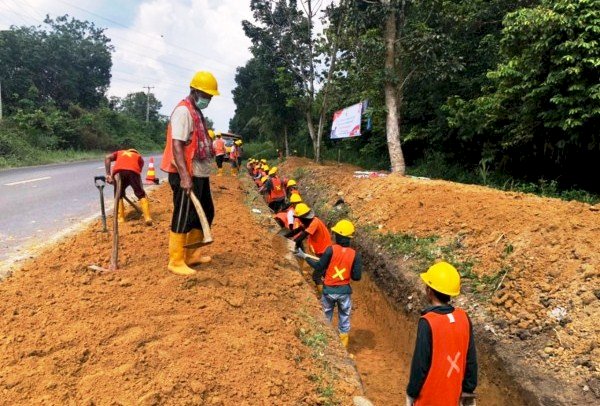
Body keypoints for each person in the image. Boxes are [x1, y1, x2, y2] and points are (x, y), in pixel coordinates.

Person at [160, 70, 219, 276]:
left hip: (199, 173)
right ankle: (176, 260)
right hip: (185, 174)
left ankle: (191, 254)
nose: (208, 99)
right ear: (194, 91)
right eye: (206, 95)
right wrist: (185, 177)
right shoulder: (183, 112)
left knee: (206, 212)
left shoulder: (196, 112)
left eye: (210, 96)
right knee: (183, 215)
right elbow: (177, 145)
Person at [406, 261, 478, 406]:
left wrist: (412, 392)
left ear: (429, 291)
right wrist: (468, 389)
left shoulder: (428, 322)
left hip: (429, 399)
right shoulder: (463, 317)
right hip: (454, 397)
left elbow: (420, 363)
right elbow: (471, 358)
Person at [296, 219, 362, 348]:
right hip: (344, 293)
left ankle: (326, 345)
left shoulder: (330, 250)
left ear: (338, 235)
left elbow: (319, 267)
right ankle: (343, 347)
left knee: (326, 317)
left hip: (329, 292)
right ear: (349, 238)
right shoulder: (355, 255)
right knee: (344, 318)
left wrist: (304, 256)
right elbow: (356, 277)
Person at [104, 148, 152, 225]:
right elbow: (138, 173)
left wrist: (108, 174)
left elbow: (107, 157)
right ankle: (147, 217)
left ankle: (121, 218)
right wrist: (137, 186)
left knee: (118, 195)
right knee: (140, 194)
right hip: (133, 173)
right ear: (137, 153)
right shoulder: (139, 157)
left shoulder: (120, 152)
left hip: (119, 173)